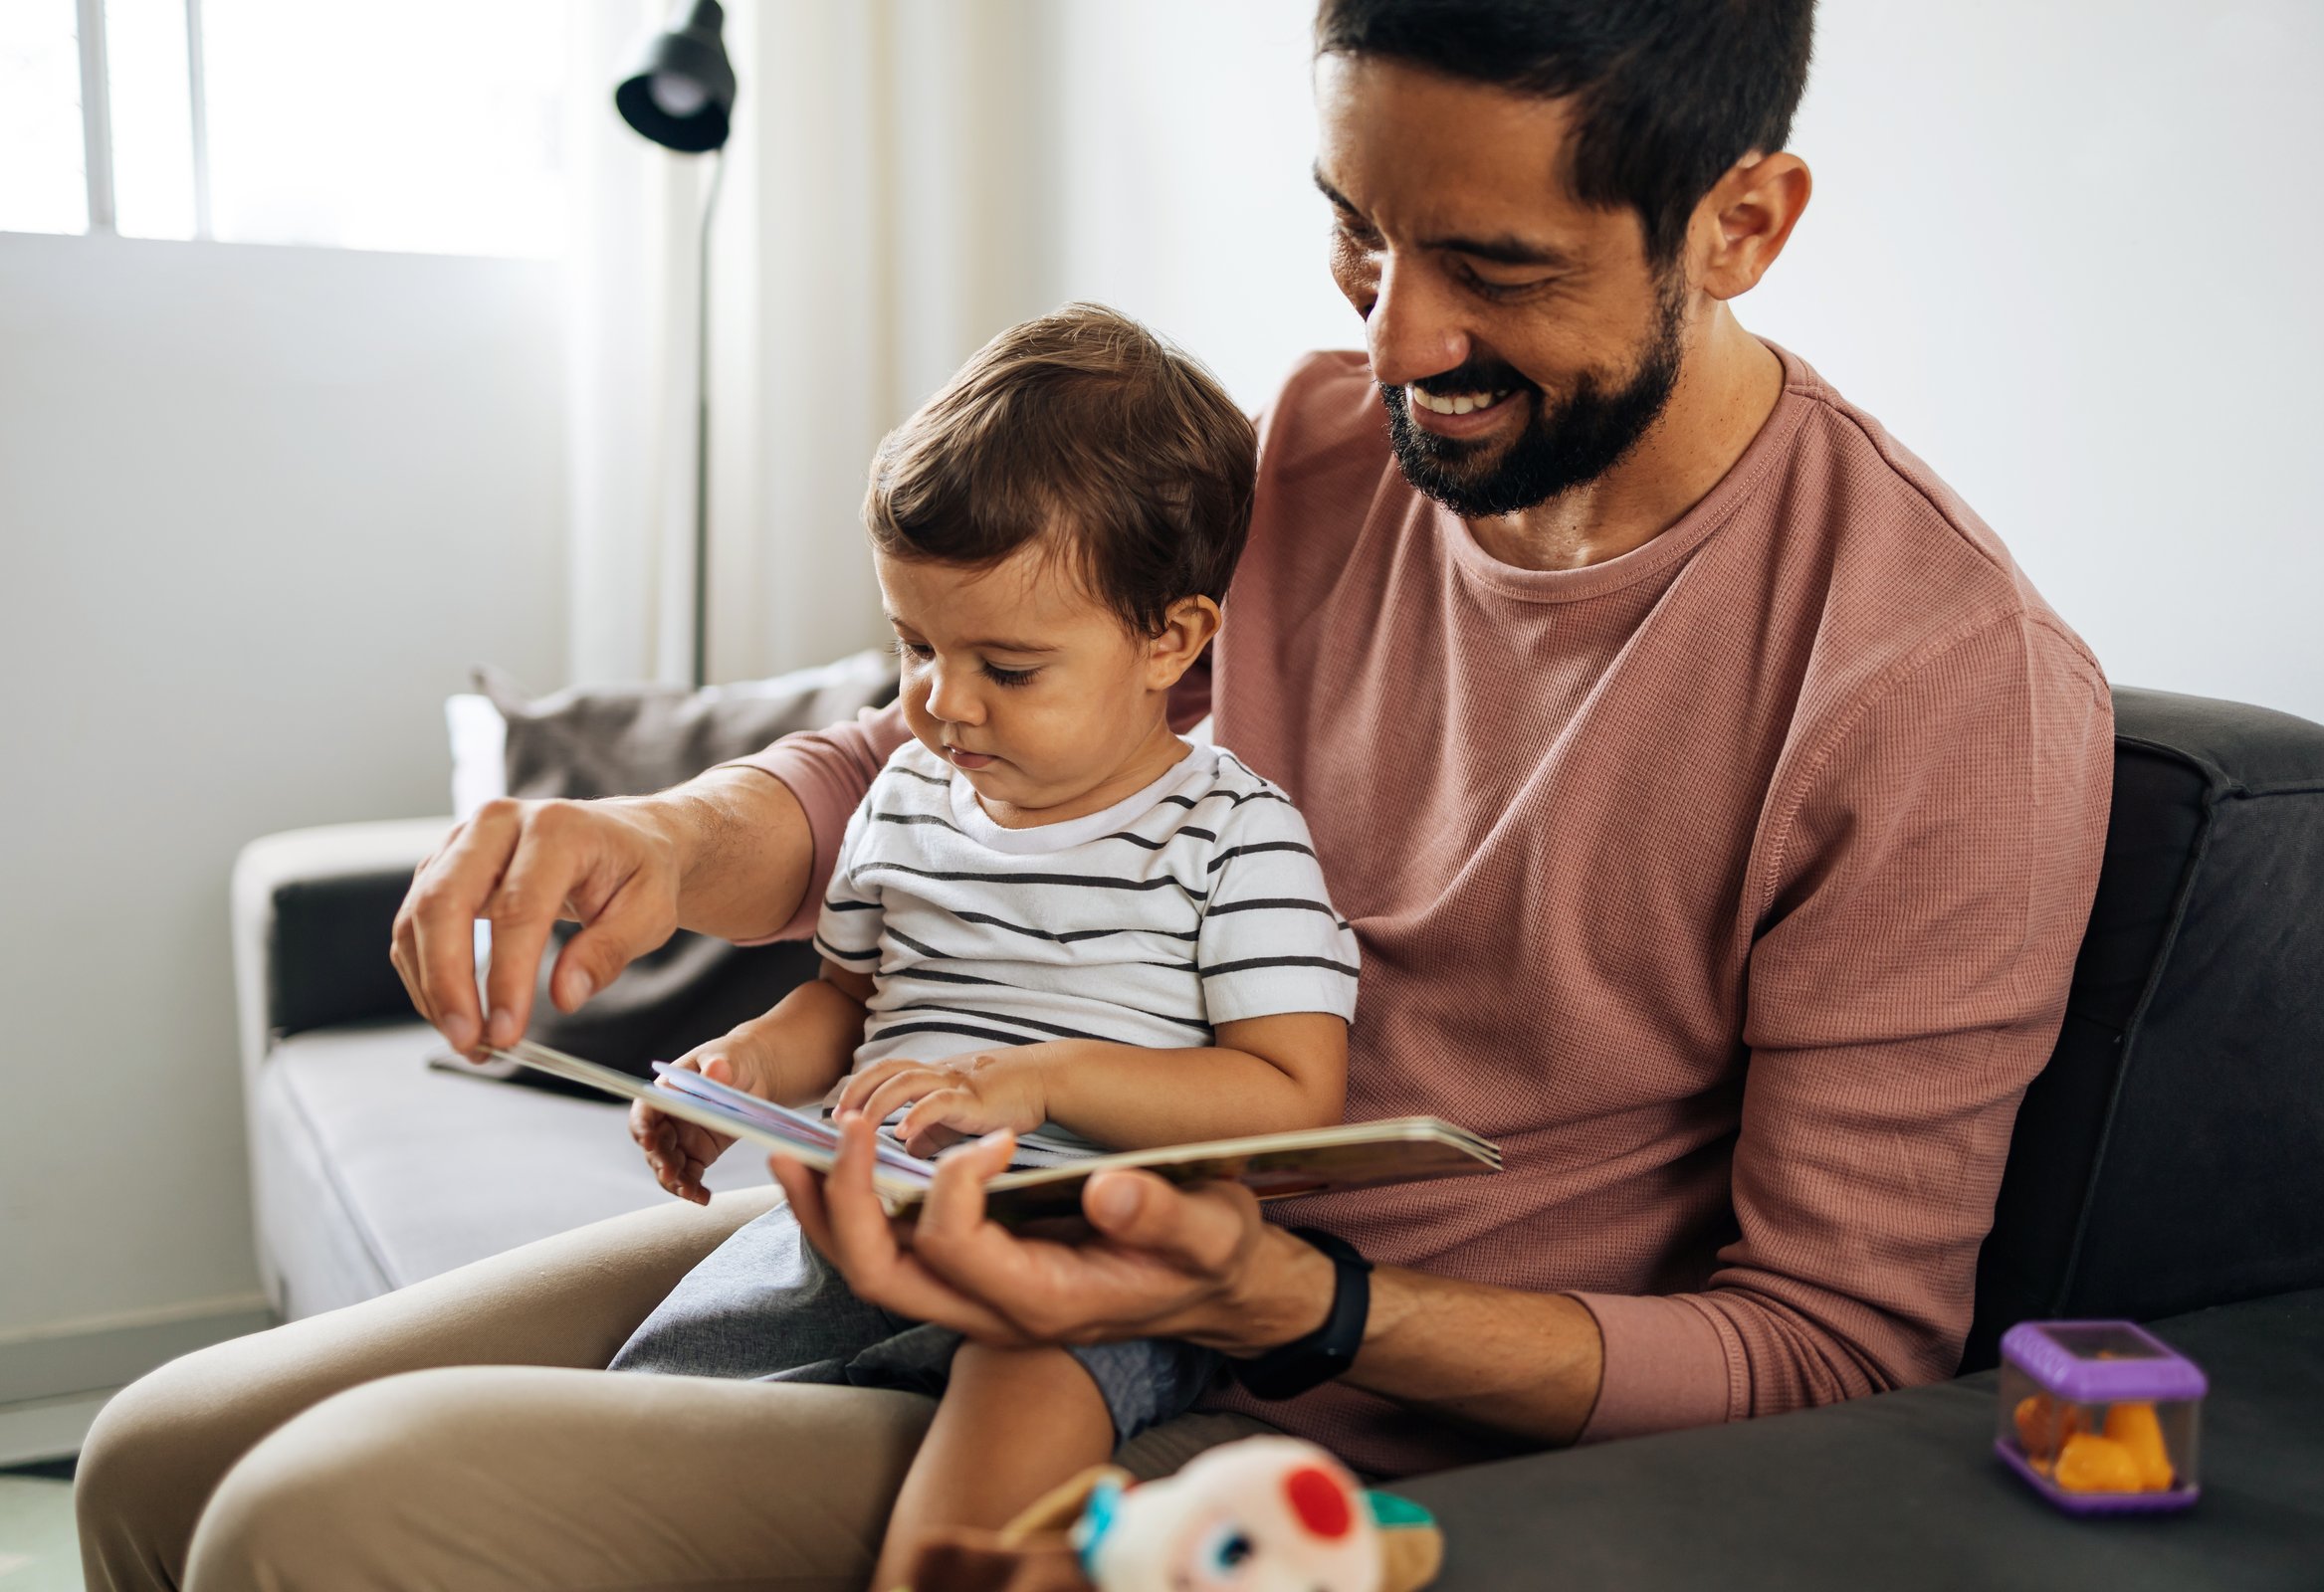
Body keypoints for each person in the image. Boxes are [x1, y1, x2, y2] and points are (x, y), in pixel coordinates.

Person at [77, 2, 2113, 1587]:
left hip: (1302, 1394)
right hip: (975, 1215)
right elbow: (966, 753)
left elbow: (1833, 1354)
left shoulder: (1933, 689)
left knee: (315, 1523)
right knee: (155, 1449)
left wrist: (1290, 1294)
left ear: (1743, 221)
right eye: (1356, 228)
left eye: (1488, 262)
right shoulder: (1326, 443)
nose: (1394, 338)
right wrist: (673, 843)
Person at [612, 303, 1360, 1592]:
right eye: (915, 647)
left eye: (1006, 667)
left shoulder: (1234, 832)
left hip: (1090, 1259)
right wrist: (742, 1072)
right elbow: (846, 1001)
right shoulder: (907, 797)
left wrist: (1040, 1081)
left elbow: (1293, 1100)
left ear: (1169, 641)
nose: (940, 702)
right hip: (859, 1229)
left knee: (1026, 1392)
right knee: (638, 1411)